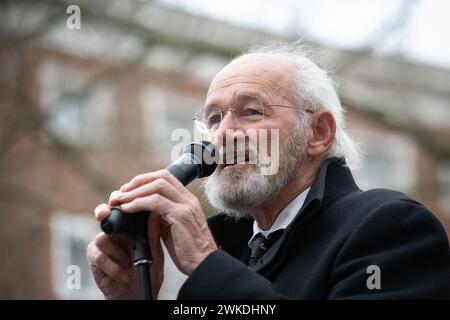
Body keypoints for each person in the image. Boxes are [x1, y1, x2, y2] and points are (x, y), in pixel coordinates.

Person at [87, 44, 450, 299]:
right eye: (214, 118)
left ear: (318, 133)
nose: (223, 134)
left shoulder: (390, 228)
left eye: (252, 112)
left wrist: (205, 262)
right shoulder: (226, 252)